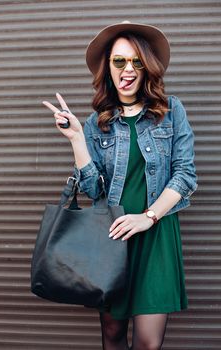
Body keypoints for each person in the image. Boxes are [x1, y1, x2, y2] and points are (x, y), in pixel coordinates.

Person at [43, 21, 197, 350]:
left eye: (136, 61)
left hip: (156, 238)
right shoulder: (98, 122)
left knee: (148, 343)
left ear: (147, 67)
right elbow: (94, 189)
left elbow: (185, 175)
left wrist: (148, 216)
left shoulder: (171, 112)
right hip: (112, 239)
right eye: (119, 61)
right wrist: (76, 139)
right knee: (112, 336)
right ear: (108, 67)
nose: (127, 69)